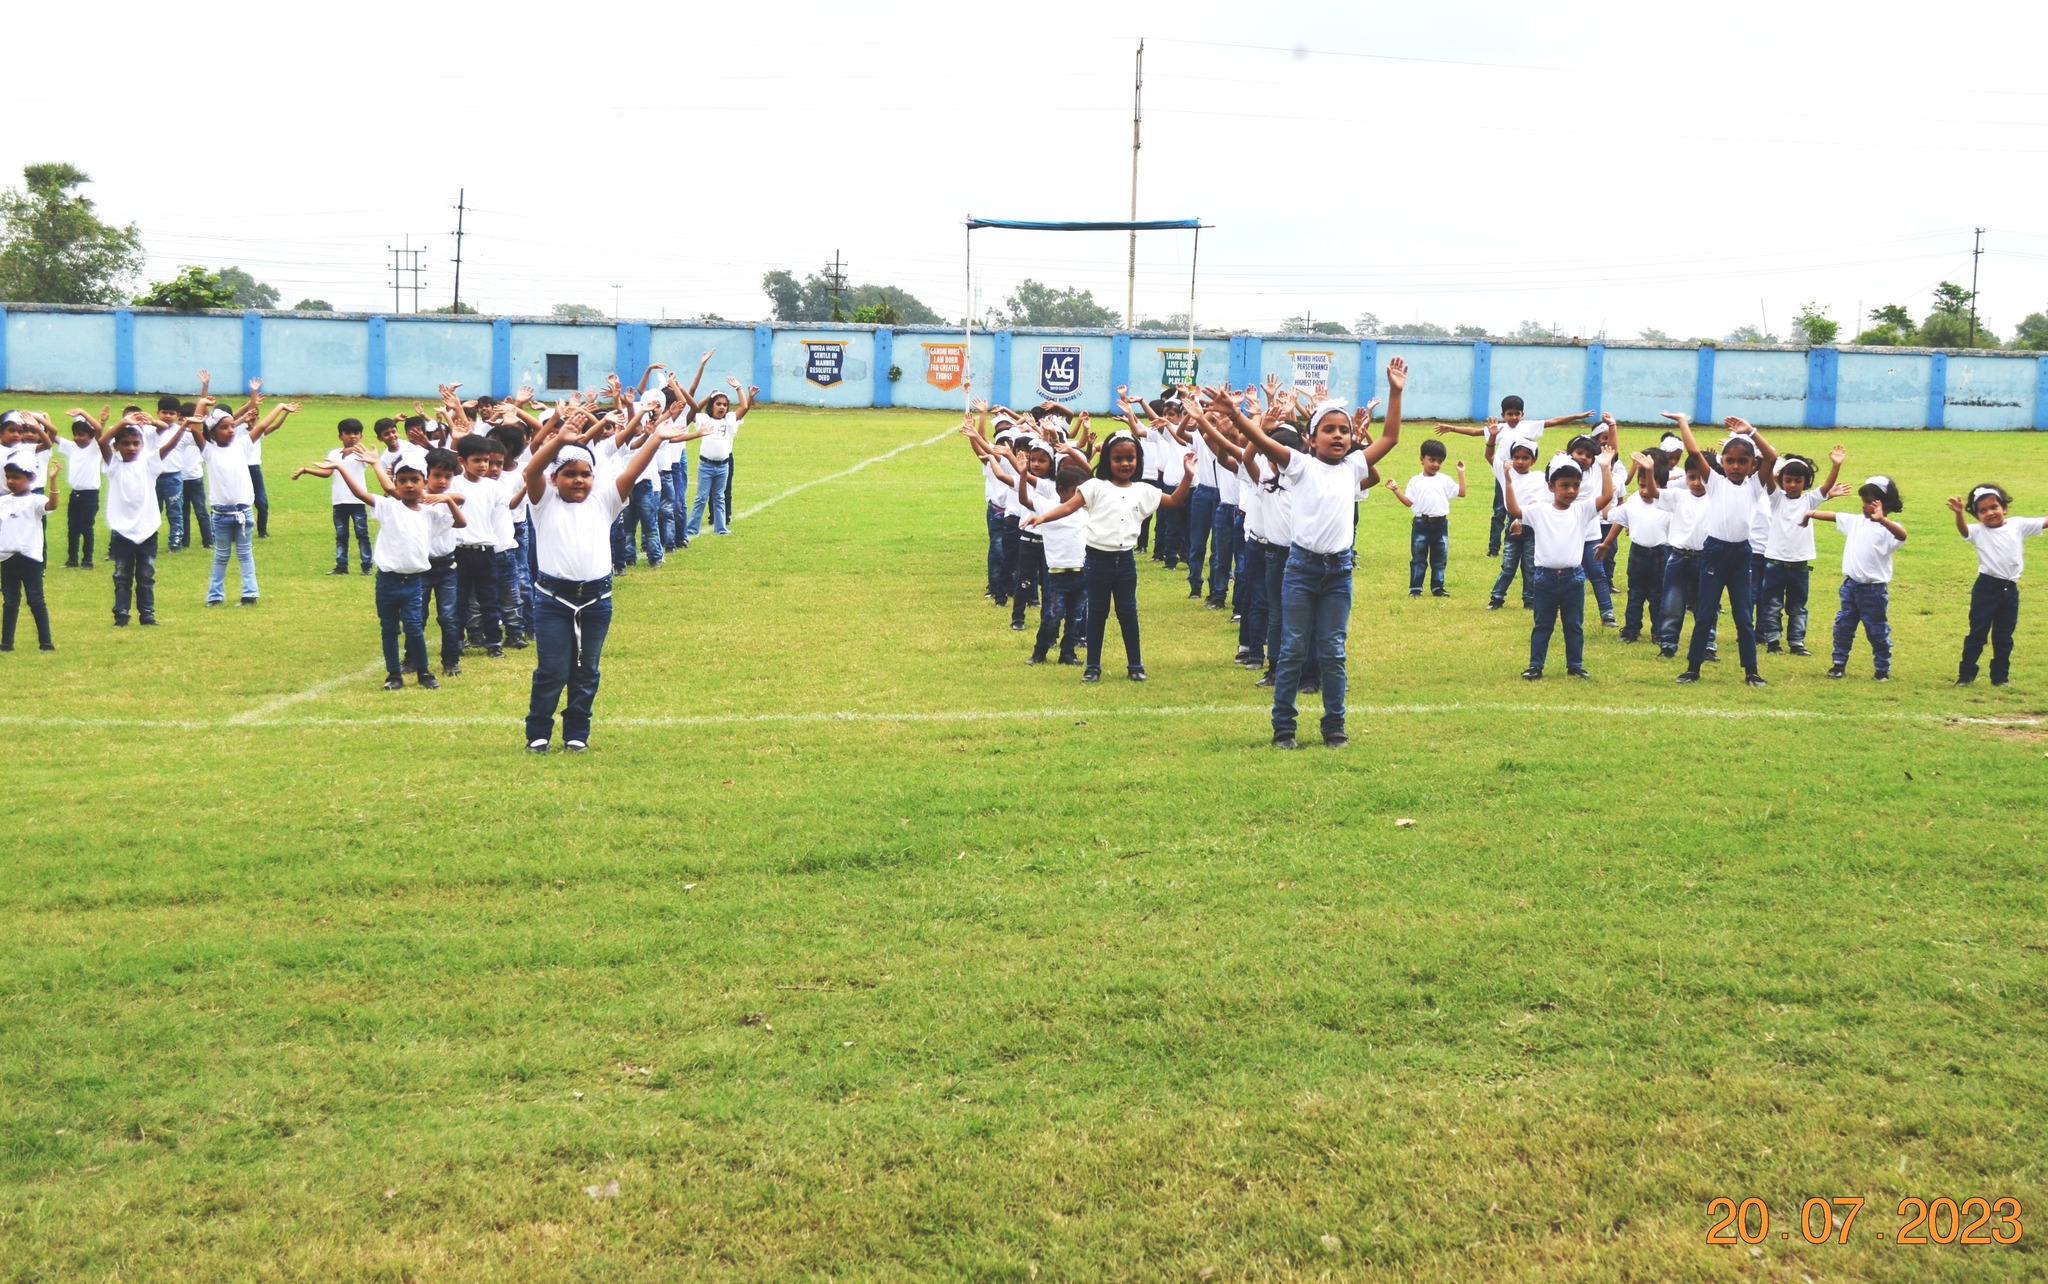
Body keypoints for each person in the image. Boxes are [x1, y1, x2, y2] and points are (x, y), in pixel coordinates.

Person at [1220, 360, 1407, 749]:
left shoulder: (1354, 465)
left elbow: (1389, 438)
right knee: (1291, 649)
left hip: (1339, 573)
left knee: (1333, 652)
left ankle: (1334, 727)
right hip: (1301, 570)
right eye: (1329, 430)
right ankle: (1283, 727)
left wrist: (1396, 391)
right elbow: (1263, 442)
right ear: (1312, 437)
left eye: (1344, 430)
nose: (1338, 436)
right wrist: (1237, 415)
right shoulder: (1300, 465)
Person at [520, 403, 690, 752]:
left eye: (585, 473)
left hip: (596, 601)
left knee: (586, 671)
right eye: (569, 474)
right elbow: (530, 472)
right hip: (553, 600)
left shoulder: (604, 502)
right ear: (555, 479)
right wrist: (559, 440)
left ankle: (576, 734)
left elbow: (632, 470)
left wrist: (656, 438)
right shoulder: (544, 503)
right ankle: (538, 731)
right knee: (552, 670)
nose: (578, 480)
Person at [1021, 431, 1194, 683]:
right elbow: (1068, 506)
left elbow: (1174, 500)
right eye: (1118, 458)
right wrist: (1043, 517)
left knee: (1128, 613)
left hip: (1124, 562)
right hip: (1097, 560)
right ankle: (1093, 666)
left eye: (1130, 458)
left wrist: (1188, 475)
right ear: (1107, 461)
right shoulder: (1095, 487)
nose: (1125, 463)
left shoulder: (1144, 490)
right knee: (1097, 614)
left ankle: (1135, 664)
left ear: (1138, 460)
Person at [331, 445, 466, 689]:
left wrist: (447, 498)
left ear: (424, 482)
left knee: (415, 627)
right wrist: (341, 468)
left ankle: (423, 671)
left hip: (414, 581)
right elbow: (362, 494)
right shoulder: (388, 507)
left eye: (415, 480)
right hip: (388, 581)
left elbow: (460, 522)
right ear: (395, 484)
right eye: (402, 480)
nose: (409, 485)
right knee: (389, 629)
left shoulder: (429, 514)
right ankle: (394, 674)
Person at [1663, 412, 1774, 687]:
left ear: (1751, 465)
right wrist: (1683, 422)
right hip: (1714, 552)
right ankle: (1693, 668)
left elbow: (1771, 457)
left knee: (1743, 616)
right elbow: (1692, 450)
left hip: (1741, 554)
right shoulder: (1714, 481)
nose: (1736, 466)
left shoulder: (1755, 486)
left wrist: (1751, 431)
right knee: (1705, 611)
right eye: (1730, 461)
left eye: (1743, 462)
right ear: (1722, 463)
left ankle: (1751, 671)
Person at [1504, 448, 1620, 679]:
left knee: (1574, 625)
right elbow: (1514, 510)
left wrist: (1605, 467)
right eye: (1564, 485)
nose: (1571, 491)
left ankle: (1575, 665)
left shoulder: (1582, 509)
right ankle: (1536, 665)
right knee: (1542, 625)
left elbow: (1606, 497)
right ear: (1551, 486)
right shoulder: (1539, 510)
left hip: (1573, 578)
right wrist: (1508, 482)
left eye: (1575, 485)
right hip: (1545, 578)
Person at [1436, 396, 1593, 556]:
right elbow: (1475, 432)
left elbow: (1553, 421)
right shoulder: (1498, 429)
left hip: (1523, 477)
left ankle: (1526, 541)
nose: (1514, 417)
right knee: (1499, 512)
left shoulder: (1529, 426)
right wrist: (1452, 428)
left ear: (1522, 414)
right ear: (1503, 415)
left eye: (1517, 414)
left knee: (1526, 509)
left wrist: (1578, 416)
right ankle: (1494, 548)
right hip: (1503, 475)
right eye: (1510, 414)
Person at [1803, 475, 1907, 681]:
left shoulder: (1888, 528)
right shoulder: (1856, 522)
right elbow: (1833, 515)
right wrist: (1810, 513)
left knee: (1876, 631)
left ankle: (1882, 668)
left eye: (1871, 502)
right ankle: (1838, 664)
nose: (1865, 506)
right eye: (1865, 501)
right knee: (1843, 626)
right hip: (1850, 586)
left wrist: (1882, 519)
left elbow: (1902, 535)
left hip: (1873, 590)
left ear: (1884, 504)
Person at [1949, 483, 2043, 686]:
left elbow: (2043, 522)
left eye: (1994, 507)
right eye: (1982, 511)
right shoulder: (1978, 531)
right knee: (1977, 633)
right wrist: (1959, 514)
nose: (1990, 513)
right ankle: (1966, 676)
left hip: (2010, 590)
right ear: (1976, 516)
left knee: (2004, 636)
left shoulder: (2017, 525)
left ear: (2004, 508)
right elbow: (1964, 530)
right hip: (1986, 589)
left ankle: (2000, 678)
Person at [188, 399, 280, 607]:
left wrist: (280, 407)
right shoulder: (209, 451)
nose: (231, 430)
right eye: (224, 427)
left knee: (245, 554)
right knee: (221, 556)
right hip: (220, 515)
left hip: (243, 513)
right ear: (212, 433)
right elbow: (194, 428)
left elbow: (263, 425)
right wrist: (201, 403)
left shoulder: (242, 445)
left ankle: (250, 594)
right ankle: (215, 596)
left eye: (232, 426)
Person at [1758, 447, 1846, 655]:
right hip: (1775, 563)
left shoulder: (1809, 500)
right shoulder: (1777, 499)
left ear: (1806, 482)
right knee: (1772, 605)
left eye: (1798, 481)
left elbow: (1826, 487)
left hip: (1800, 565)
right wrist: (1765, 462)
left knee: (1797, 606)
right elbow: (1768, 480)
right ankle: (1772, 641)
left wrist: (1836, 465)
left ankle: (1797, 642)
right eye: (1788, 480)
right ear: (1781, 480)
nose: (1793, 485)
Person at [98, 414, 181, 626]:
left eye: (136, 443)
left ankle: (147, 614)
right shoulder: (114, 466)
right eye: (125, 444)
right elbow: (101, 441)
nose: (131, 448)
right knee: (122, 576)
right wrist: (124, 422)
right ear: (117, 446)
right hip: (122, 532)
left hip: (147, 530)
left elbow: (170, 446)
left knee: (146, 576)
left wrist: (185, 425)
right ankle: (122, 614)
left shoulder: (149, 464)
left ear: (143, 445)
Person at [1015, 458, 1090, 665]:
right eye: (1077, 490)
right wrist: (1022, 475)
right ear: (1062, 491)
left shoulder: (1086, 510)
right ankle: (1039, 652)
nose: (1082, 495)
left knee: (1075, 618)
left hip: (1082, 573)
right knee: (1052, 616)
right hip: (1058, 574)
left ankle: (1068, 653)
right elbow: (1024, 500)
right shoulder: (1047, 506)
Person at [1597, 451, 1667, 643]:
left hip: (1661, 553)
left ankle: (1659, 633)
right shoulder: (1634, 501)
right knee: (1635, 594)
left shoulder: (1668, 502)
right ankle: (1630, 630)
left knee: (1657, 596)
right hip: (1638, 553)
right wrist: (1606, 543)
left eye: (1650, 486)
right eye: (1641, 485)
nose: (1645, 491)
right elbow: (1612, 517)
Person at [292, 419, 375, 574]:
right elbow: (327, 473)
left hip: (358, 500)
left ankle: (367, 566)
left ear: (361, 436)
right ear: (340, 436)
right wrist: (306, 470)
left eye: (356, 433)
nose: (352, 437)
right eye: (348, 433)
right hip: (339, 500)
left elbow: (368, 459)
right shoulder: (334, 454)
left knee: (362, 534)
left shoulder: (362, 453)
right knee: (341, 535)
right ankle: (341, 565)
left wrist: (352, 451)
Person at [1386, 439, 1465, 596]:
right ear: (1422, 459)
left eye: (1439, 461)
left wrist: (1461, 473)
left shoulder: (1444, 479)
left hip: (1440, 523)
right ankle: (1415, 588)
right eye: (1431, 460)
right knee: (1418, 557)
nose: (1435, 464)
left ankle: (1438, 587)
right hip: (1421, 523)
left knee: (1439, 558)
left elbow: (1461, 492)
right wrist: (1396, 489)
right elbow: (1409, 502)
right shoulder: (1416, 481)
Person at [686, 379, 755, 539]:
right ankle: (692, 528)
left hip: (723, 466)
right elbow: (694, 409)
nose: (722, 407)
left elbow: (744, 407)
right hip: (706, 465)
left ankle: (721, 527)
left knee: (719, 497)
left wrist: (739, 388)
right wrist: (707, 397)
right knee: (701, 497)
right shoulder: (705, 420)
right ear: (711, 406)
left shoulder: (729, 421)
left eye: (724, 404)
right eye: (718, 404)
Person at [0, 459, 58, 651]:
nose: (11, 481)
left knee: (35, 600)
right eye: (8, 477)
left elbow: (52, 505)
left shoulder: (35, 500)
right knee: (9, 601)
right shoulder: (3, 502)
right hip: (7, 558)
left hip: (30, 559)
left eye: (16, 477)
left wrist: (53, 481)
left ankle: (46, 643)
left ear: (30, 478)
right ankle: (7, 643)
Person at [420, 447, 467, 677]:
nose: (442, 481)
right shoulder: (415, 497)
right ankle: (413, 659)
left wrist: (446, 498)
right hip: (420, 566)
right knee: (417, 616)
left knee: (448, 616)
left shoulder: (450, 497)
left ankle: (451, 660)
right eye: (437, 475)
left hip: (447, 566)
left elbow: (461, 498)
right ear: (426, 474)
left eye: (447, 476)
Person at [1486, 440, 1545, 609]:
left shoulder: (1539, 477)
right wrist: (1492, 438)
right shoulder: (1506, 472)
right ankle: (1496, 598)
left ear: (1533, 460)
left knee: (1530, 566)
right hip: (1511, 524)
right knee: (1508, 564)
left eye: (1526, 458)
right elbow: (1489, 456)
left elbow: (1539, 500)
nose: (1520, 462)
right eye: (1516, 457)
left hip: (1531, 525)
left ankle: (1530, 599)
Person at [56, 410, 105, 569]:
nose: (77, 438)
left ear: (90, 436)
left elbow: (98, 429)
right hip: (75, 494)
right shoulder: (72, 447)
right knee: (73, 528)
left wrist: (83, 412)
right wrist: (42, 421)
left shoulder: (95, 447)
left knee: (86, 528)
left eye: (82, 435)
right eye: (75, 434)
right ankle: (72, 559)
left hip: (90, 495)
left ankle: (87, 560)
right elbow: (52, 437)